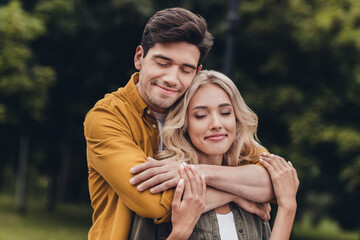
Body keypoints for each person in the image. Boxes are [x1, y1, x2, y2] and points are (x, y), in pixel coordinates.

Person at [84, 7, 274, 240]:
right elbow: (153, 203)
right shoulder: (106, 117)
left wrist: (196, 172)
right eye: (163, 63)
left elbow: (273, 178)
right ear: (139, 57)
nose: (172, 79)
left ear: (197, 72)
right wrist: (236, 193)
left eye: (185, 69)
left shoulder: (195, 112)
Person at [158, 70, 299, 239]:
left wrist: (288, 207)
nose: (216, 124)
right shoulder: (164, 188)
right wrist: (180, 233)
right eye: (201, 115)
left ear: (237, 118)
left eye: (225, 112)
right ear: (184, 125)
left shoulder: (252, 200)